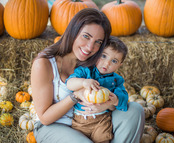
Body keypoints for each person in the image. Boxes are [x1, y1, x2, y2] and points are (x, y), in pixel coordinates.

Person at [31, 8, 145, 143]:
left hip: (95, 121)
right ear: (73, 31)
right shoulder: (44, 64)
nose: (90, 47)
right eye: (86, 36)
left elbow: (110, 94)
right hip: (54, 126)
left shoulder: (95, 61)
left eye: (98, 42)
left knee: (135, 110)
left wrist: (107, 105)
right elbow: (45, 118)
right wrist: (75, 95)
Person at [66, 36, 129, 143]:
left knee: (103, 139)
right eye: (103, 56)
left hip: (102, 120)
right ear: (97, 54)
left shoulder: (116, 80)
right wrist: (83, 82)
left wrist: (115, 100)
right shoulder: (85, 71)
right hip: (80, 120)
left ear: (120, 65)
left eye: (114, 61)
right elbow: (69, 83)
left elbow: (124, 98)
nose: (107, 63)